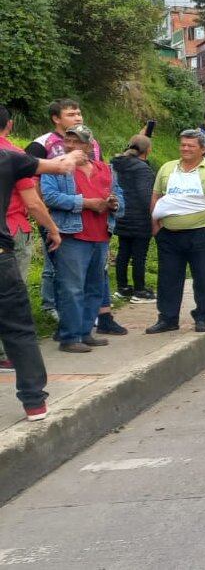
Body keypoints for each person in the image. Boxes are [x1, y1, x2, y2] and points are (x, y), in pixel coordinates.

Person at [0, 142, 86, 419]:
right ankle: (34, 402)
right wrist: (71, 155)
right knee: (19, 330)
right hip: (1, 259)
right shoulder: (8, 158)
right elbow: (60, 167)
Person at [41, 125, 126, 353]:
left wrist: (114, 204)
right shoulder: (55, 168)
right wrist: (85, 203)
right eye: (67, 141)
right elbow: (49, 196)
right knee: (71, 287)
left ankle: (85, 332)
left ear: (89, 146)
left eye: (76, 141)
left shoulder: (105, 169)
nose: (70, 145)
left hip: (101, 234)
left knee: (94, 286)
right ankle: (69, 336)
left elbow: (120, 198)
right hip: (72, 235)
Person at [146, 129, 205, 334]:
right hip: (168, 235)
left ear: (202, 149)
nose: (185, 148)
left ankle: (203, 316)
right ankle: (167, 318)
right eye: (183, 144)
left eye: (190, 145)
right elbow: (156, 196)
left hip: (200, 235)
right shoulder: (168, 168)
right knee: (168, 278)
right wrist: (155, 226)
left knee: (202, 277)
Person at [0, 106, 63, 372]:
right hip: (11, 231)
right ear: (10, 125)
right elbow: (33, 202)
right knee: (12, 296)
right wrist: (52, 228)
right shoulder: (13, 155)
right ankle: (6, 353)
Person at [25, 98, 100, 317]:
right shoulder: (42, 143)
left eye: (79, 113)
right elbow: (29, 178)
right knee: (53, 262)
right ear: (56, 118)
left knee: (83, 265)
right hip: (53, 211)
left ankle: (78, 310)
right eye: (71, 114)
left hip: (86, 212)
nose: (77, 117)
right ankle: (50, 306)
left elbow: (98, 170)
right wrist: (42, 209)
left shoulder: (91, 142)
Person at [111, 135, 157, 301]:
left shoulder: (117, 164)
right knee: (139, 255)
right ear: (148, 150)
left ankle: (122, 287)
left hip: (121, 213)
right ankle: (139, 289)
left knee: (123, 252)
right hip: (140, 217)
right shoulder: (142, 169)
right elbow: (146, 195)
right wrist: (155, 213)